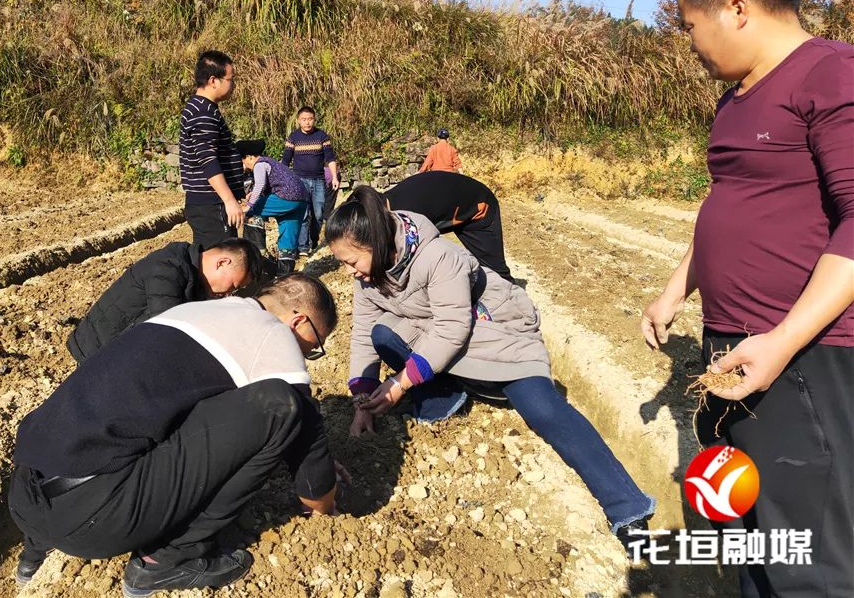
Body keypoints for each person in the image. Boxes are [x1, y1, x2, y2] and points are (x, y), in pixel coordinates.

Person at [641, 0, 853, 597]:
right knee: (751, 532)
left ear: (737, 8)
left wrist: (784, 340)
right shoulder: (734, 99)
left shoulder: (831, 73)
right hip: (732, 346)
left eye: (691, 26)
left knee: (809, 553)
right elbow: (731, 202)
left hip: (806, 355)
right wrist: (677, 288)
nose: (692, 44)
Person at [325, 186, 655, 549]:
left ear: (374, 242)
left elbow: (452, 330)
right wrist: (361, 398)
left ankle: (627, 507)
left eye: (351, 261)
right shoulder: (368, 275)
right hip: (435, 333)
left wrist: (400, 384)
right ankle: (444, 395)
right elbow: (362, 333)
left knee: (542, 408)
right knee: (382, 334)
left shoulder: (436, 256)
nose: (349, 271)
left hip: (493, 328)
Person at [8, 274, 347, 597]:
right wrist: (323, 496)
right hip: (94, 521)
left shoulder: (192, 311)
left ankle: (32, 554)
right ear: (299, 321)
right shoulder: (275, 334)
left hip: (25, 491)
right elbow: (305, 443)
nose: (307, 354)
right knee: (279, 405)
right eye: (314, 345)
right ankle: (167, 561)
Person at [66, 238, 263, 363]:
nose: (230, 292)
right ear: (222, 263)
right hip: (97, 349)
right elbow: (164, 327)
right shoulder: (168, 268)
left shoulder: (194, 277)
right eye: (233, 285)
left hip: (116, 349)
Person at [383, 171, 512, 281]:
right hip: (445, 204)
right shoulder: (386, 209)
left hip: (477, 206)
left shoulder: (408, 217)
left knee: (495, 271)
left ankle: (514, 304)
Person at [179, 51, 247, 247]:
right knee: (222, 259)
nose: (232, 84)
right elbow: (208, 161)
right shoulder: (203, 113)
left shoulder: (202, 108)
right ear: (213, 81)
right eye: (230, 79)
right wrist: (229, 200)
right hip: (211, 204)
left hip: (210, 203)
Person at [239, 139, 310, 276]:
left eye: (243, 161)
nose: (243, 165)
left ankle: (258, 253)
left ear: (249, 157)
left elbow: (260, 185)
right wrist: (253, 195)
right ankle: (283, 276)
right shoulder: (273, 163)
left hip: (286, 196)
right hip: (301, 200)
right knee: (288, 241)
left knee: (252, 213)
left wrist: (248, 206)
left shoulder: (260, 164)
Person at [282, 106, 339, 256]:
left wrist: (334, 177)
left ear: (314, 119)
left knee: (319, 214)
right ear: (299, 121)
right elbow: (285, 161)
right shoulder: (293, 138)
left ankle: (313, 239)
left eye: (310, 119)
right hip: (300, 181)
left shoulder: (322, 136)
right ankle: (303, 247)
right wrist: (283, 180)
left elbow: (330, 158)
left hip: (319, 180)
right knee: (304, 214)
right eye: (304, 119)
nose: (307, 122)